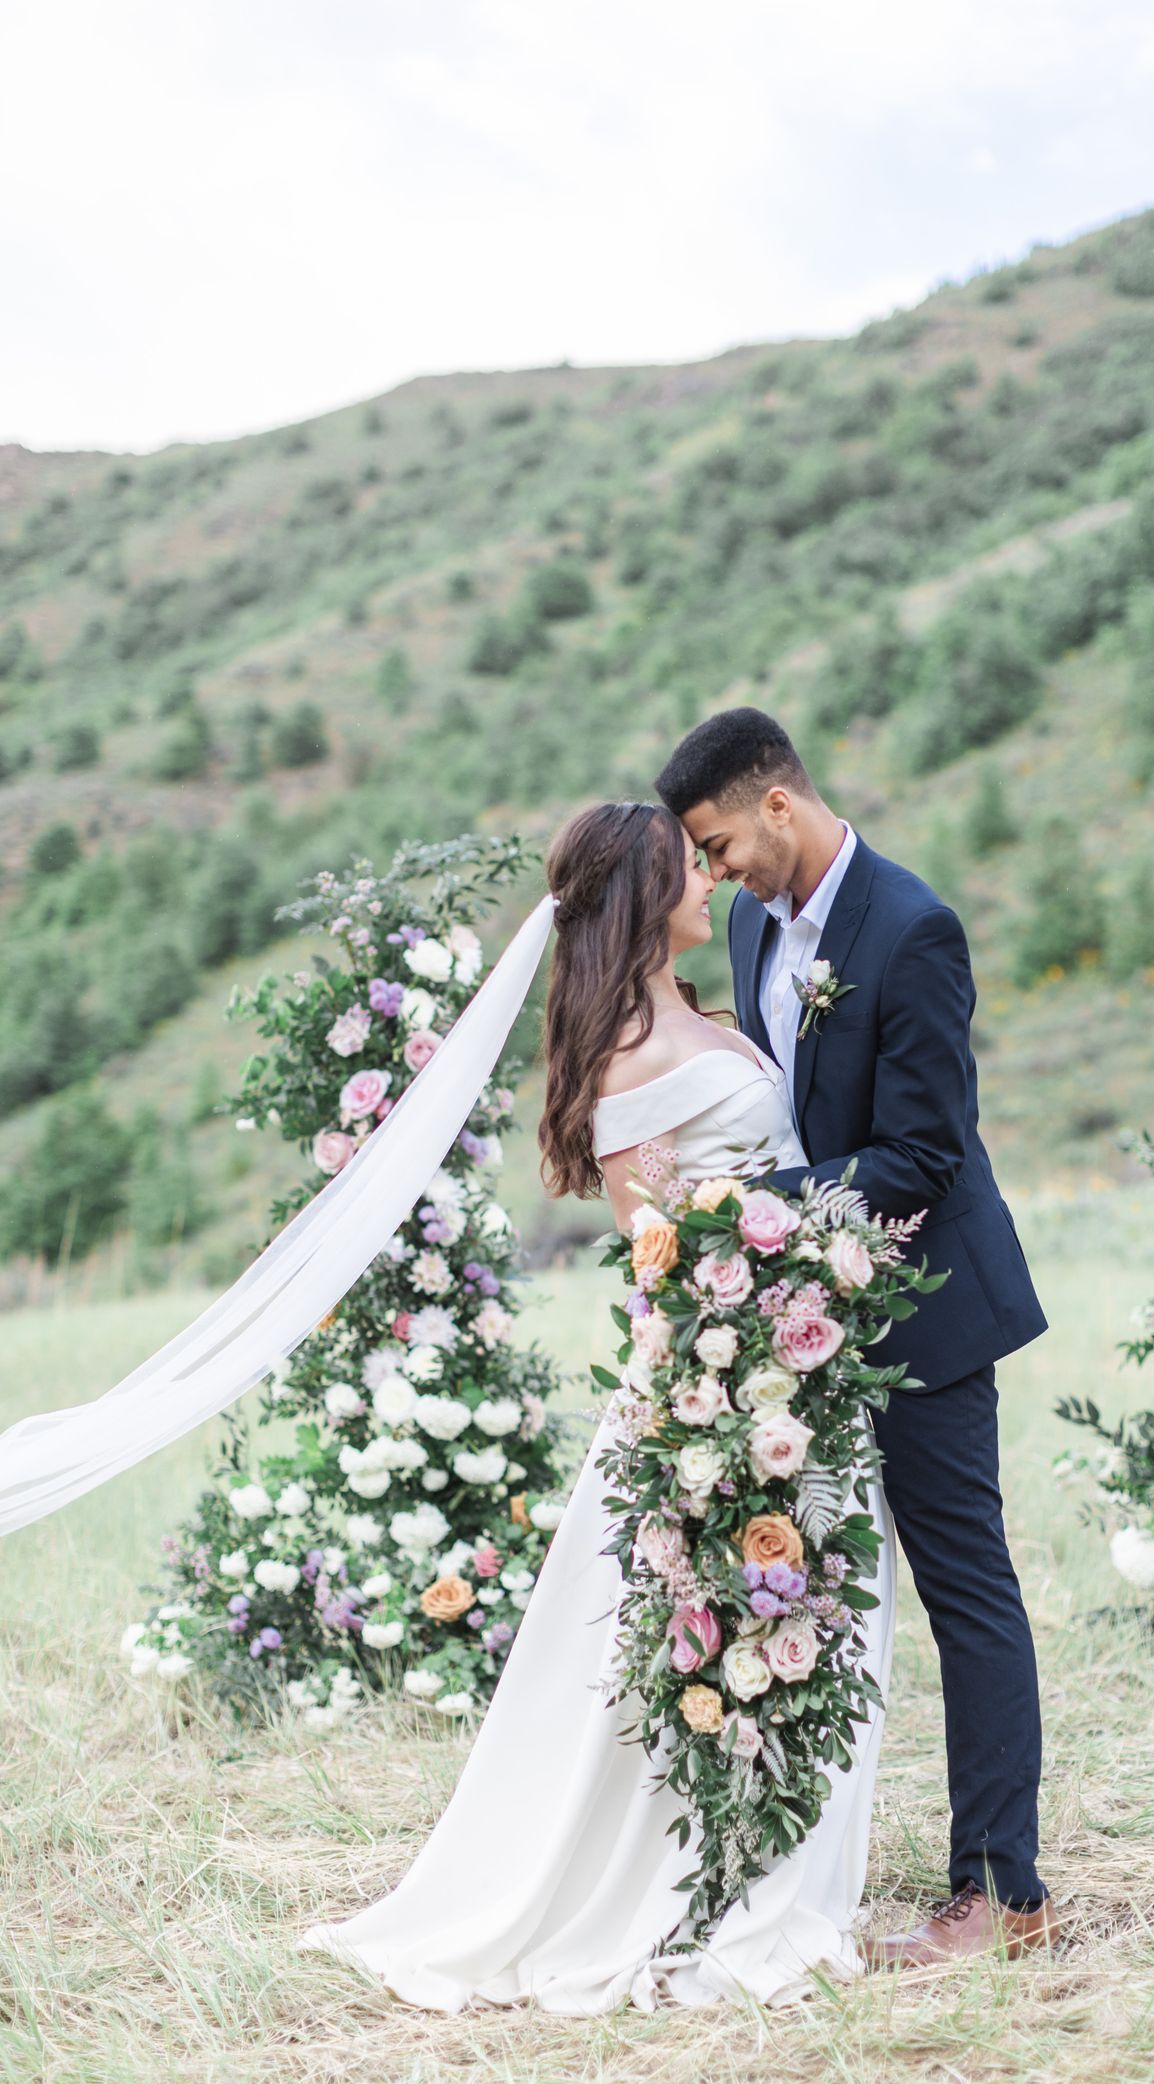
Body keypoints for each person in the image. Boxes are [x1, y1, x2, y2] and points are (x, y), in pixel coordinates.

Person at [296, 798, 898, 2012]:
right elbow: (653, 1241)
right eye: (690, 867)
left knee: (779, 1620)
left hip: (776, 1359)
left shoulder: (689, 1011)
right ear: (639, 898)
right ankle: (700, 1882)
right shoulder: (629, 1047)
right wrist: (745, 1329)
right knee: (712, 1630)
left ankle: (762, 1863)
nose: (710, 882)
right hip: (719, 1378)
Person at [654, 708, 1058, 1968]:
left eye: (720, 845)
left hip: (927, 1314)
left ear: (777, 803)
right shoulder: (743, 926)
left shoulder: (913, 929)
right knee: (800, 1597)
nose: (714, 875)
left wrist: (744, 1214)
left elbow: (921, 1157)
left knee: (964, 1593)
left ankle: (1002, 1893)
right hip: (805, 1331)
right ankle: (781, 1870)